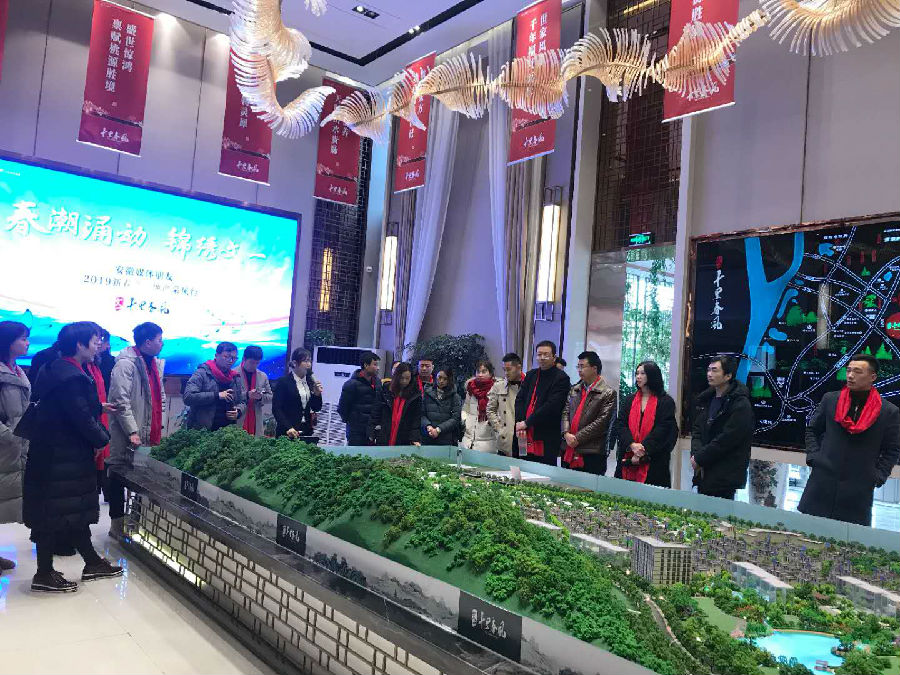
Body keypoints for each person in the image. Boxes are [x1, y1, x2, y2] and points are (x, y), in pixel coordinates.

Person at [24, 322, 122, 592]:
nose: (98, 345)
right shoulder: (72, 376)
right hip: (64, 456)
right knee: (54, 513)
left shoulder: (55, 367)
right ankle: (44, 573)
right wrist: (103, 439)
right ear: (79, 344)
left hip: (53, 453)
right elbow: (81, 418)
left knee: (68, 511)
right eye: (94, 340)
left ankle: (91, 562)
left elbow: (68, 408)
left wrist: (96, 408)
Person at [798, 354, 900, 526]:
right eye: (849, 370)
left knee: (849, 540)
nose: (850, 375)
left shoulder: (888, 411)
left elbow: (893, 449)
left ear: (872, 377)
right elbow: (812, 430)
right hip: (821, 483)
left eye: (857, 372)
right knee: (809, 534)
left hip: (857, 491)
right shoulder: (831, 400)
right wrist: (815, 458)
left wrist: (878, 475)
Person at [107, 322, 165, 540]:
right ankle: (116, 525)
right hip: (127, 433)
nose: (162, 343)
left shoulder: (154, 363)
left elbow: (160, 399)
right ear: (147, 342)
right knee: (118, 475)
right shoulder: (125, 364)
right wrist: (132, 430)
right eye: (159, 339)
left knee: (142, 477)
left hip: (148, 432)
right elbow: (120, 400)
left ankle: (136, 522)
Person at [690, 355, 753, 500]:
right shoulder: (706, 399)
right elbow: (697, 430)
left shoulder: (740, 404)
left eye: (714, 370)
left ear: (728, 376)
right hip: (703, 470)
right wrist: (696, 456)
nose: (709, 374)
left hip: (725, 475)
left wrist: (700, 457)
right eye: (708, 370)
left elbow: (728, 438)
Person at [615, 361, 679, 487]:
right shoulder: (629, 400)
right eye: (637, 373)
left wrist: (643, 449)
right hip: (628, 458)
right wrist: (632, 445)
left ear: (653, 375)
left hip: (653, 460)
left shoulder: (666, 401)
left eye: (642, 373)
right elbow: (620, 424)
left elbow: (663, 429)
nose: (638, 376)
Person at [0, 321, 31, 574]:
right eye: (22, 338)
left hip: (14, 448)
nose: (27, 343)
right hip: (5, 444)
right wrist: (9, 435)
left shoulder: (17, 370)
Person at [515, 341, 571, 465]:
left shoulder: (561, 378)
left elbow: (552, 406)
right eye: (539, 354)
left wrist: (527, 422)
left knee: (544, 471)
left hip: (546, 435)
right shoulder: (531, 375)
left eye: (546, 355)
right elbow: (520, 399)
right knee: (524, 466)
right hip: (524, 432)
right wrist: (520, 421)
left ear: (554, 357)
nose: (542, 358)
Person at [561, 352, 617, 475]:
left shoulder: (608, 393)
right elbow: (565, 412)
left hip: (591, 451)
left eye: (582, 366)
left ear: (594, 368)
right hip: (569, 446)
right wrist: (566, 433)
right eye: (578, 366)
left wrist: (577, 438)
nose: (579, 370)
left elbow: (602, 422)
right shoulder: (575, 389)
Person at [184, 342, 245, 431]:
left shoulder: (235, 377)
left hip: (227, 431)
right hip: (203, 430)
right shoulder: (202, 373)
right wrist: (217, 395)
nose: (230, 361)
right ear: (216, 355)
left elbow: (242, 401)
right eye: (226, 357)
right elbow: (188, 397)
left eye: (234, 358)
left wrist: (238, 411)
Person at [273, 348, 323, 439]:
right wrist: (288, 427)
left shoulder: (310, 381)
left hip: (305, 430)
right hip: (287, 431)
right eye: (305, 361)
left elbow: (316, 408)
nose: (308, 364)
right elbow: (277, 408)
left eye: (310, 361)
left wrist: (317, 394)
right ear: (295, 363)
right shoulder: (284, 382)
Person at [369, 362, 422, 446]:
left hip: (404, 435)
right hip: (384, 432)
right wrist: (372, 432)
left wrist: (414, 438)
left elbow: (416, 420)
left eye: (407, 378)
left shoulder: (416, 395)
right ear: (397, 376)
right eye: (401, 378)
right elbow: (376, 412)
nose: (404, 381)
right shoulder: (385, 389)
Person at [338, 351, 381, 446]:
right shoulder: (351, 384)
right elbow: (342, 408)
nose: (378, 368)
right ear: (366, 365)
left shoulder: (378, 382)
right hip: (356, 431)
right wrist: (352, 422)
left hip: (373, 430)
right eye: (375, 364)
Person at [487, 353, 524, 456]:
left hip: (523, 436)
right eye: (504, 370)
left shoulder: (529, 384)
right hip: (505, 439)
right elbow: (490, 410)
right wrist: (499, 429)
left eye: (509, 369)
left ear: (519, 367)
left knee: (522, 463)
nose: (506, 373)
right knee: (503, 465)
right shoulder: (498, 386)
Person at [462, 360, 498, 452]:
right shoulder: (471, 387)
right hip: (468, 439)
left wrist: (492, 424)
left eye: (484, 371)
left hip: (488, 440)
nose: (480, 375)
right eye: (478, 371)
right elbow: (465, 408)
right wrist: (465, 420)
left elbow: (499, 414)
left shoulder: (496, 389)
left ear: (490, 373)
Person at [421, 368, 462, 446]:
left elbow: (455, 418)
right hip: (427, 436)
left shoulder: (455, 397)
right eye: (439, 377)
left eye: (445, 379)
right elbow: (421, 414)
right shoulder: (427, 393)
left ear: (449, 380)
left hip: (446, 439)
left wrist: (438, 430)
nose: (441, 381)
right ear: (436, 377)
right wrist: (428, 426)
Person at [240, 345, 274, 437]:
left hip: (256, 417)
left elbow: (270, 397)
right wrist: (247, 395)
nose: (254, 366)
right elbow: (231, 396)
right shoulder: (234, 374)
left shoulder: (262, 376)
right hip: (239, 417)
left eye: (257, 363)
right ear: (244, 359)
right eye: (251, 362)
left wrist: (260, 397)